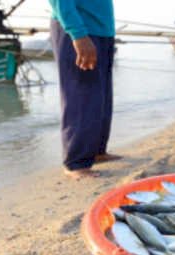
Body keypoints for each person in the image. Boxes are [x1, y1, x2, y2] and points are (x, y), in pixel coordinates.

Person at [49, 0, 120, 179]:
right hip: (80, 30)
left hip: (102, 30)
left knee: (101, 96)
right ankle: (76, 163)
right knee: (81, 96)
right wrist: (78, 35)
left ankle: (97, 151)